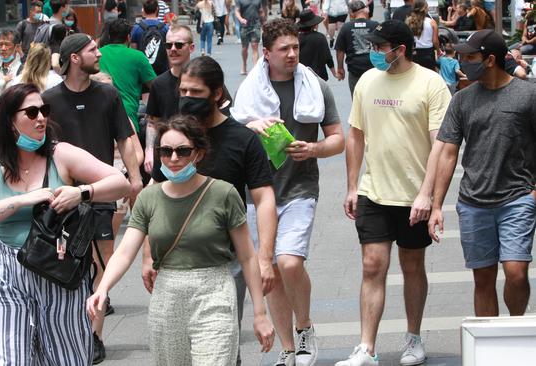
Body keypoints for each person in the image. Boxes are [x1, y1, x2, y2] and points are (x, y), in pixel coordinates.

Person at [0, 83, 131, 366]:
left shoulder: (60, 154)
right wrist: (22, 201)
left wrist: (81, 192)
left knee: (67, 357)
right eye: (31, 112)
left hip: (59, 268)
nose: (41, 117)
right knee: (10, 360)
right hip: (8, 271)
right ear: (9, 120)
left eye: (44, 110)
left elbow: (120, 182)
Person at [88, 114, 276, 364]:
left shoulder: (223, 193)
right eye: (166, 151)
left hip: (215, 292)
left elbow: (247, 255)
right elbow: (124, 252)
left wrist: (260, 313)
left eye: (182, 151)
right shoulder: (149, 198)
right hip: (167, 296)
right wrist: (103, 288)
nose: (173, 158)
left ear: (198, 153)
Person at [145, 56, 277, 365]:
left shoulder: (242, 140)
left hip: (226, 261)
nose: (187, 100)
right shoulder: (173, 138)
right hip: (175, 264)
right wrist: (148, 255)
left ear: (217, 94)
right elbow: (153, 199)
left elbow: (265, 198)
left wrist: (265, 258)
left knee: (221, 344)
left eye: (196, 93)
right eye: (183, 92)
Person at [232, 18, 345, 366]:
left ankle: (305, 326)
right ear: (266, 53)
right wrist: (252, 125)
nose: (293, 54)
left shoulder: (316, 87)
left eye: (295, 47)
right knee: (270, 271)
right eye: (284, 49)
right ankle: (287, 348)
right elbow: (232, 131)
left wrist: (313, 150)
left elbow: (339, 140)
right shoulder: (249, 92)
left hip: (300, 186)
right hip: (259, 193)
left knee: (289, 261)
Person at [339, 20, 451, 366]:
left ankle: (413, 338)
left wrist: (427, 196)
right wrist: (353, 186)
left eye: (379, 47)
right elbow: (355, 134)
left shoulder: (431, 84)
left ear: (400, 50)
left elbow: (441, 146)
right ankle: (366, 348)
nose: (373, 52)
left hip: (413, 196)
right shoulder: (368, 81)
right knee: (372, 265)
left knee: (412, 264)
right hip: (375, 192)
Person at [41, 33, 142, 364]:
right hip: (60, 195)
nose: (98, 54)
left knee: (102, 259)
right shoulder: (49, 99)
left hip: (101, 191)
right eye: (92, 50)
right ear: (73, 59)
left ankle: (94, 335)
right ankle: (63, 328)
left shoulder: (107, 94)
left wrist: (135, 176)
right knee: (64, 262)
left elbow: (125, 138)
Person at [429, 29, 536, 318]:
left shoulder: (528, 95)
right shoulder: (462, 100)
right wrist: (436, 204)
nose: (462, 63)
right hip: (474, 202)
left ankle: (516, 328)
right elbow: (449, 152)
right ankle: (490, 347)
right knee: (483, 278)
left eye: (469, 57)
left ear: (490, 60)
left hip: (517, 198)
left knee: (516, 272)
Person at [144, 25, 195, 174]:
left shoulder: (204, 79)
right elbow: (153, 122)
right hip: (167, 156)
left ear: (191, 47)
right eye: (168, 45)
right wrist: (149, 151)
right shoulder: (158, 83)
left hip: (197, 154)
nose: (173, 49)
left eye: (179, 45)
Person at [99, 18, 156, 133]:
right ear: (129, 37)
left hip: (100, 114)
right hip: (127, 116)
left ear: (109, 36)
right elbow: (155, 86)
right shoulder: (138, 57)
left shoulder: (98, 54)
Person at [335, 0, 378, 96]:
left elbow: (340, 50)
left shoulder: (346, 27)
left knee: (356, 98)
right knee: (373, 97)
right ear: (365, 10)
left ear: (351, 13)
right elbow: (384, 44)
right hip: (373, 68)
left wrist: (340, 68)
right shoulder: (375, 25)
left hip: (355, 69)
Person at [130, 0, 169, 76]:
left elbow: (134, 51)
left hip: (143, 70)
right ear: (157, 9)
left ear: (143, 10)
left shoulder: (136, 28)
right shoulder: (165, 28)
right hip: (161, 71)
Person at [298, 9, 336, 81]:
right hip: (319, 76)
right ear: (314, 25)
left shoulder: (296, 38)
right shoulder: (320, 37)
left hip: (302, 76)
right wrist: (334, 73)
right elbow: (328, 57)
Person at [406, 0, 439, 70]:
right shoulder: (432, 22)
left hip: (414, 53)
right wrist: (438, 51)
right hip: (428, 53)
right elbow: (435, 41)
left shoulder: (409, 21)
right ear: (424, 9)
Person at [235, 0, 263, 74]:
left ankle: (255, 69)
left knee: (255, 46)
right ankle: (244, 64)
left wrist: (263, 23)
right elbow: (237, 11)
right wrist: (241, 19)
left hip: (256, 25)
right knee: (244, 48)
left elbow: (261, 11)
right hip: (244, 26)